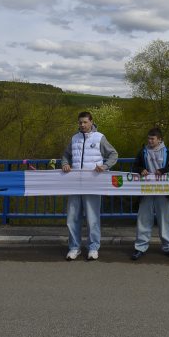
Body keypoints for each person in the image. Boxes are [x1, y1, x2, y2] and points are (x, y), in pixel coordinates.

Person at [61, 111, 118, 261]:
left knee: (92, 219)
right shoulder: (74, 138)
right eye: (80, 122)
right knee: (72, 218)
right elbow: (66, 155)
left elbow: (113, 154)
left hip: (93, 184)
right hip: (74, 184)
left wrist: (105, 166)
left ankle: (93, 248)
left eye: (85, 122)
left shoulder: (99, 137)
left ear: (91, 122)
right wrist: (65, 163)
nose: (82, 125)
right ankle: (74, 248)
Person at [130, 127, 169, 260]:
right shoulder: (143, 152)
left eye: (152, 139)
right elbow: (135, 166)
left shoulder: (168, 152)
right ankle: (140, 247)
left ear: (160, 140)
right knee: (143, 219)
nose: (150, 141)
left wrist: (163, 170)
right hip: (146, 190)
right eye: (148, 138)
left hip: (163, 190)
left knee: (165, 219)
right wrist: (141, 170)